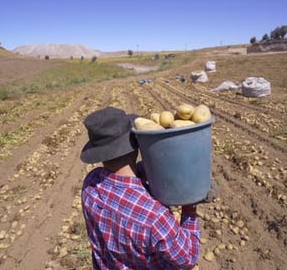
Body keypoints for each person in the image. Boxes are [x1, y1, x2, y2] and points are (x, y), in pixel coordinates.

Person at [80, 107, 200, 270]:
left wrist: (147, 170)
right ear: (137, 142)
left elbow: (124, 177)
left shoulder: (90, 184)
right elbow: (188, 257)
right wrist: (190, 205)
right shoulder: (155, 217)